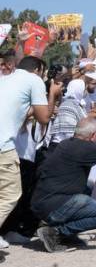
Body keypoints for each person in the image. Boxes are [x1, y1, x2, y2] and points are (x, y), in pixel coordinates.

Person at [32, 118, 96, 252]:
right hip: (55, 205)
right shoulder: (86, 148)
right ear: (93, 135)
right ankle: (56, 232)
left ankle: (67, 234)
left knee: (87, 189)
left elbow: (94, 152)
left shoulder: (66, 143)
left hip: (42, 203)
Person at [0, 56, 59, 250]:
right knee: (10, 194)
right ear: (37, 71)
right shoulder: (34, 80)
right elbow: (43, 118)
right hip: (4, 146)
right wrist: (52, 94)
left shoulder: (5, 78)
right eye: (43, 73)